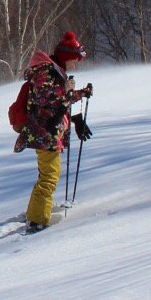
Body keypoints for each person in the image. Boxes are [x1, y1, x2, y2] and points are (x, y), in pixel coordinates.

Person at [15, 31, 92, 233]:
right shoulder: (46, 71)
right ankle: (37, 220)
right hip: (44, 132)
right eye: (75, 60)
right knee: (49, 176)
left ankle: (37, 211)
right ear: (67, 57)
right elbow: (42, 98)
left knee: (48, 174)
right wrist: (65, 88)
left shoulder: (54, 72)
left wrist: (79, 95)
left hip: (48, 131)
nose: (76, 64)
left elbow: (57, 103)